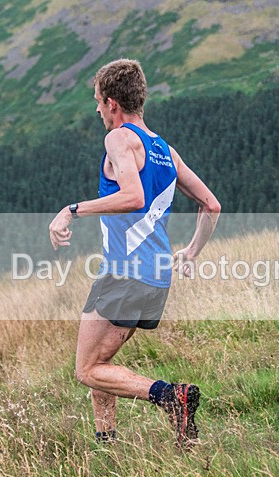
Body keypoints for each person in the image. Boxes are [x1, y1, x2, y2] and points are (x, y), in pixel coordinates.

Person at [49, 59, 221, 448]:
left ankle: (170, 397)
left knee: (87, 369)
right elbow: (211, 205)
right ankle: (107, 445)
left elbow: (133, 197)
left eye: (97, 101)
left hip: (125, 272)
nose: (96, 110)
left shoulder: (119, 139)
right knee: (101, 364)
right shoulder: (165, 150)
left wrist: (72, 210)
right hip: (156, 278)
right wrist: (191, 251)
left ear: (112, 103)